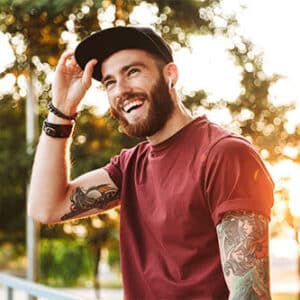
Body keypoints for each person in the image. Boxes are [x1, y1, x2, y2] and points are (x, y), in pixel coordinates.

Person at [28, 26, 274, 299]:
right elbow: (46, 208)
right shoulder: (130, 166)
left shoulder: (224, 154)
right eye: (109, 82)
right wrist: (62, 110)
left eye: (133, 72)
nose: (121, 90)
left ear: (170, 75)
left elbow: (250, 295)